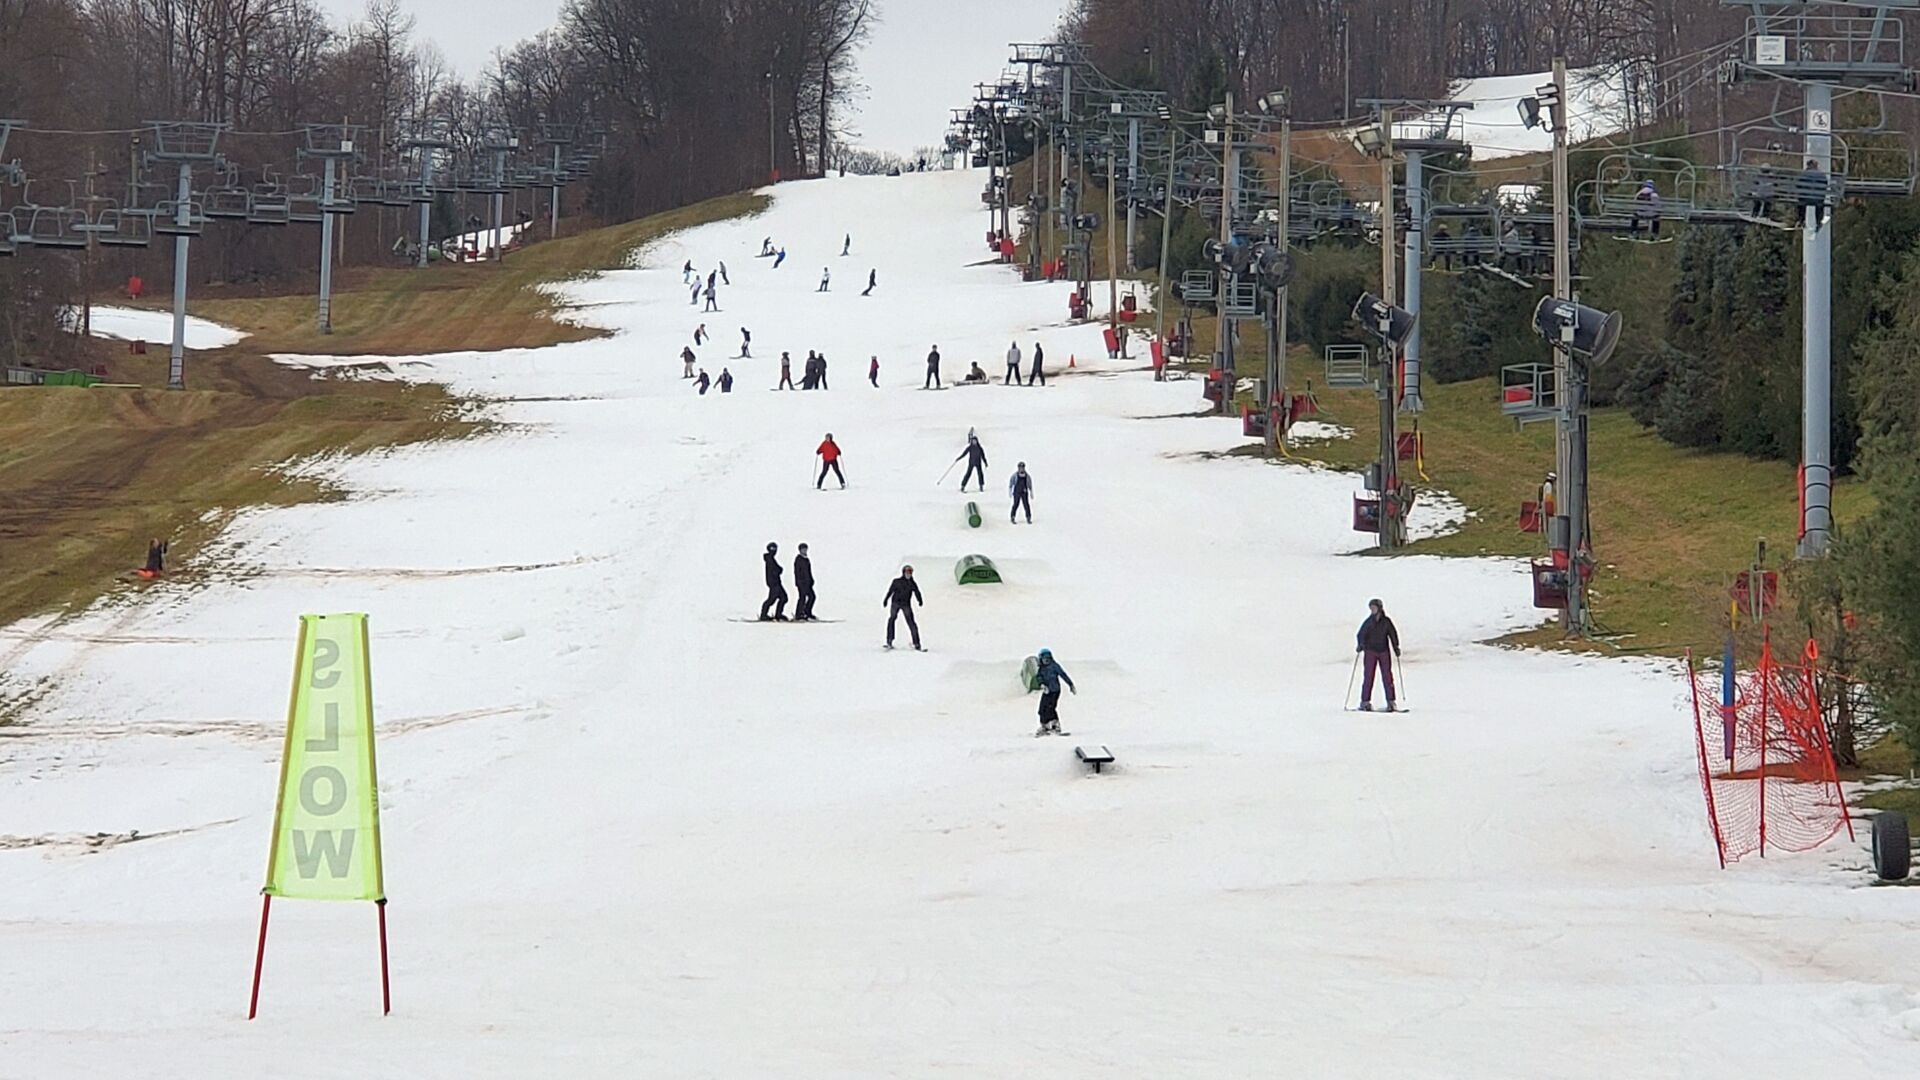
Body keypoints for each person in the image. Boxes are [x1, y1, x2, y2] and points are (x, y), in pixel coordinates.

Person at [1355, 598, 1401, 712]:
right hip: (1370, 651)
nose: (1372, 610)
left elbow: (1392, 634)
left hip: (1383, 651)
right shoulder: (1368, 621)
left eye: (1374, 608)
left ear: (1379, 608)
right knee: (1368, 676)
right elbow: (1361, 634)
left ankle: (1391, 701)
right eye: (1371, 608)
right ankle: (1365, 701)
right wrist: (1360, 644)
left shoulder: (1386, 621)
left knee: (1387, 676)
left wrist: (1396, 647)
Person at [1032, 647, 1076, 736]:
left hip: (1055, 691)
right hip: (1046, 691)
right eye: (1044, 659)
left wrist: (1070, 684)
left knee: (1050, 708)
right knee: (1041, 709)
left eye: (1048, 659)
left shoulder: (1054, 666)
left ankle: (1055, 725)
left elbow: (1063, 674)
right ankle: (1044, 726)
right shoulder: (1041, 668)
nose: (1046, 661)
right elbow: (1039, 677)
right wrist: (1042, 684)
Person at [882, 565, 923, 651]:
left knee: (911, 623)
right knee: (892, 619)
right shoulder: (896, 581)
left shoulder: (912, 583)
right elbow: (890, 591)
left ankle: (917, 643)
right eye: (907, 572)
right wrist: (886, 599)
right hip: (895, 603)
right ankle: (889, 640)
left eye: (910, 573)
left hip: (906, 605)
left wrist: (920, 600)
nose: (909, 574)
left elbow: (917, 592)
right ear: (903, 572)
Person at [759, 542, 789, 621]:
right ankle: (764, 615)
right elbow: (776, 570)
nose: (774, 550)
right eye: (772, 548)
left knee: (784, 598)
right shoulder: (769, 559)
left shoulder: (771, 559)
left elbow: (777, 569)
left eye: (775, 548)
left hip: (777, 582)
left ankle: (778, 614)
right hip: (773, 583)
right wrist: (779, 570)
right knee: (772, 599)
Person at [794, 543, 817, 621]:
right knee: (802, 598)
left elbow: (808, 571)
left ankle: (807, 612)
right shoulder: (798, 559)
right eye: (803, 549)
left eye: (805, 549)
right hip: (801, 583)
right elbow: (797, 572)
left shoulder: (806, 559)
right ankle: (798, 614)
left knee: (812, 597)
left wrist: (811, 580)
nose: (804, 550)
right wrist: (799, 582)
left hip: (808, 583)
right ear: (800, 550)